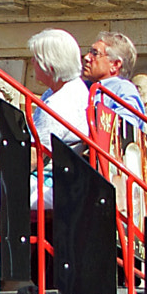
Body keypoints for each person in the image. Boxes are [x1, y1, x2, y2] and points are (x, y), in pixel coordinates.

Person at [28, 28, 89, 209]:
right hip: (62, 177)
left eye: (36, 59)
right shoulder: (75, 88)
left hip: (51, 183)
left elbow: (33, 158)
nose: (32, 62)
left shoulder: (58, 104)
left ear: (50, 67)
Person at [82, 31, 144, 121]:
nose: (86, 57)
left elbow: (126, 129)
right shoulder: (81, 87)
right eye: (89, 52)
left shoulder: (123, 89)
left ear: (115, 64)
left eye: (95, 53)